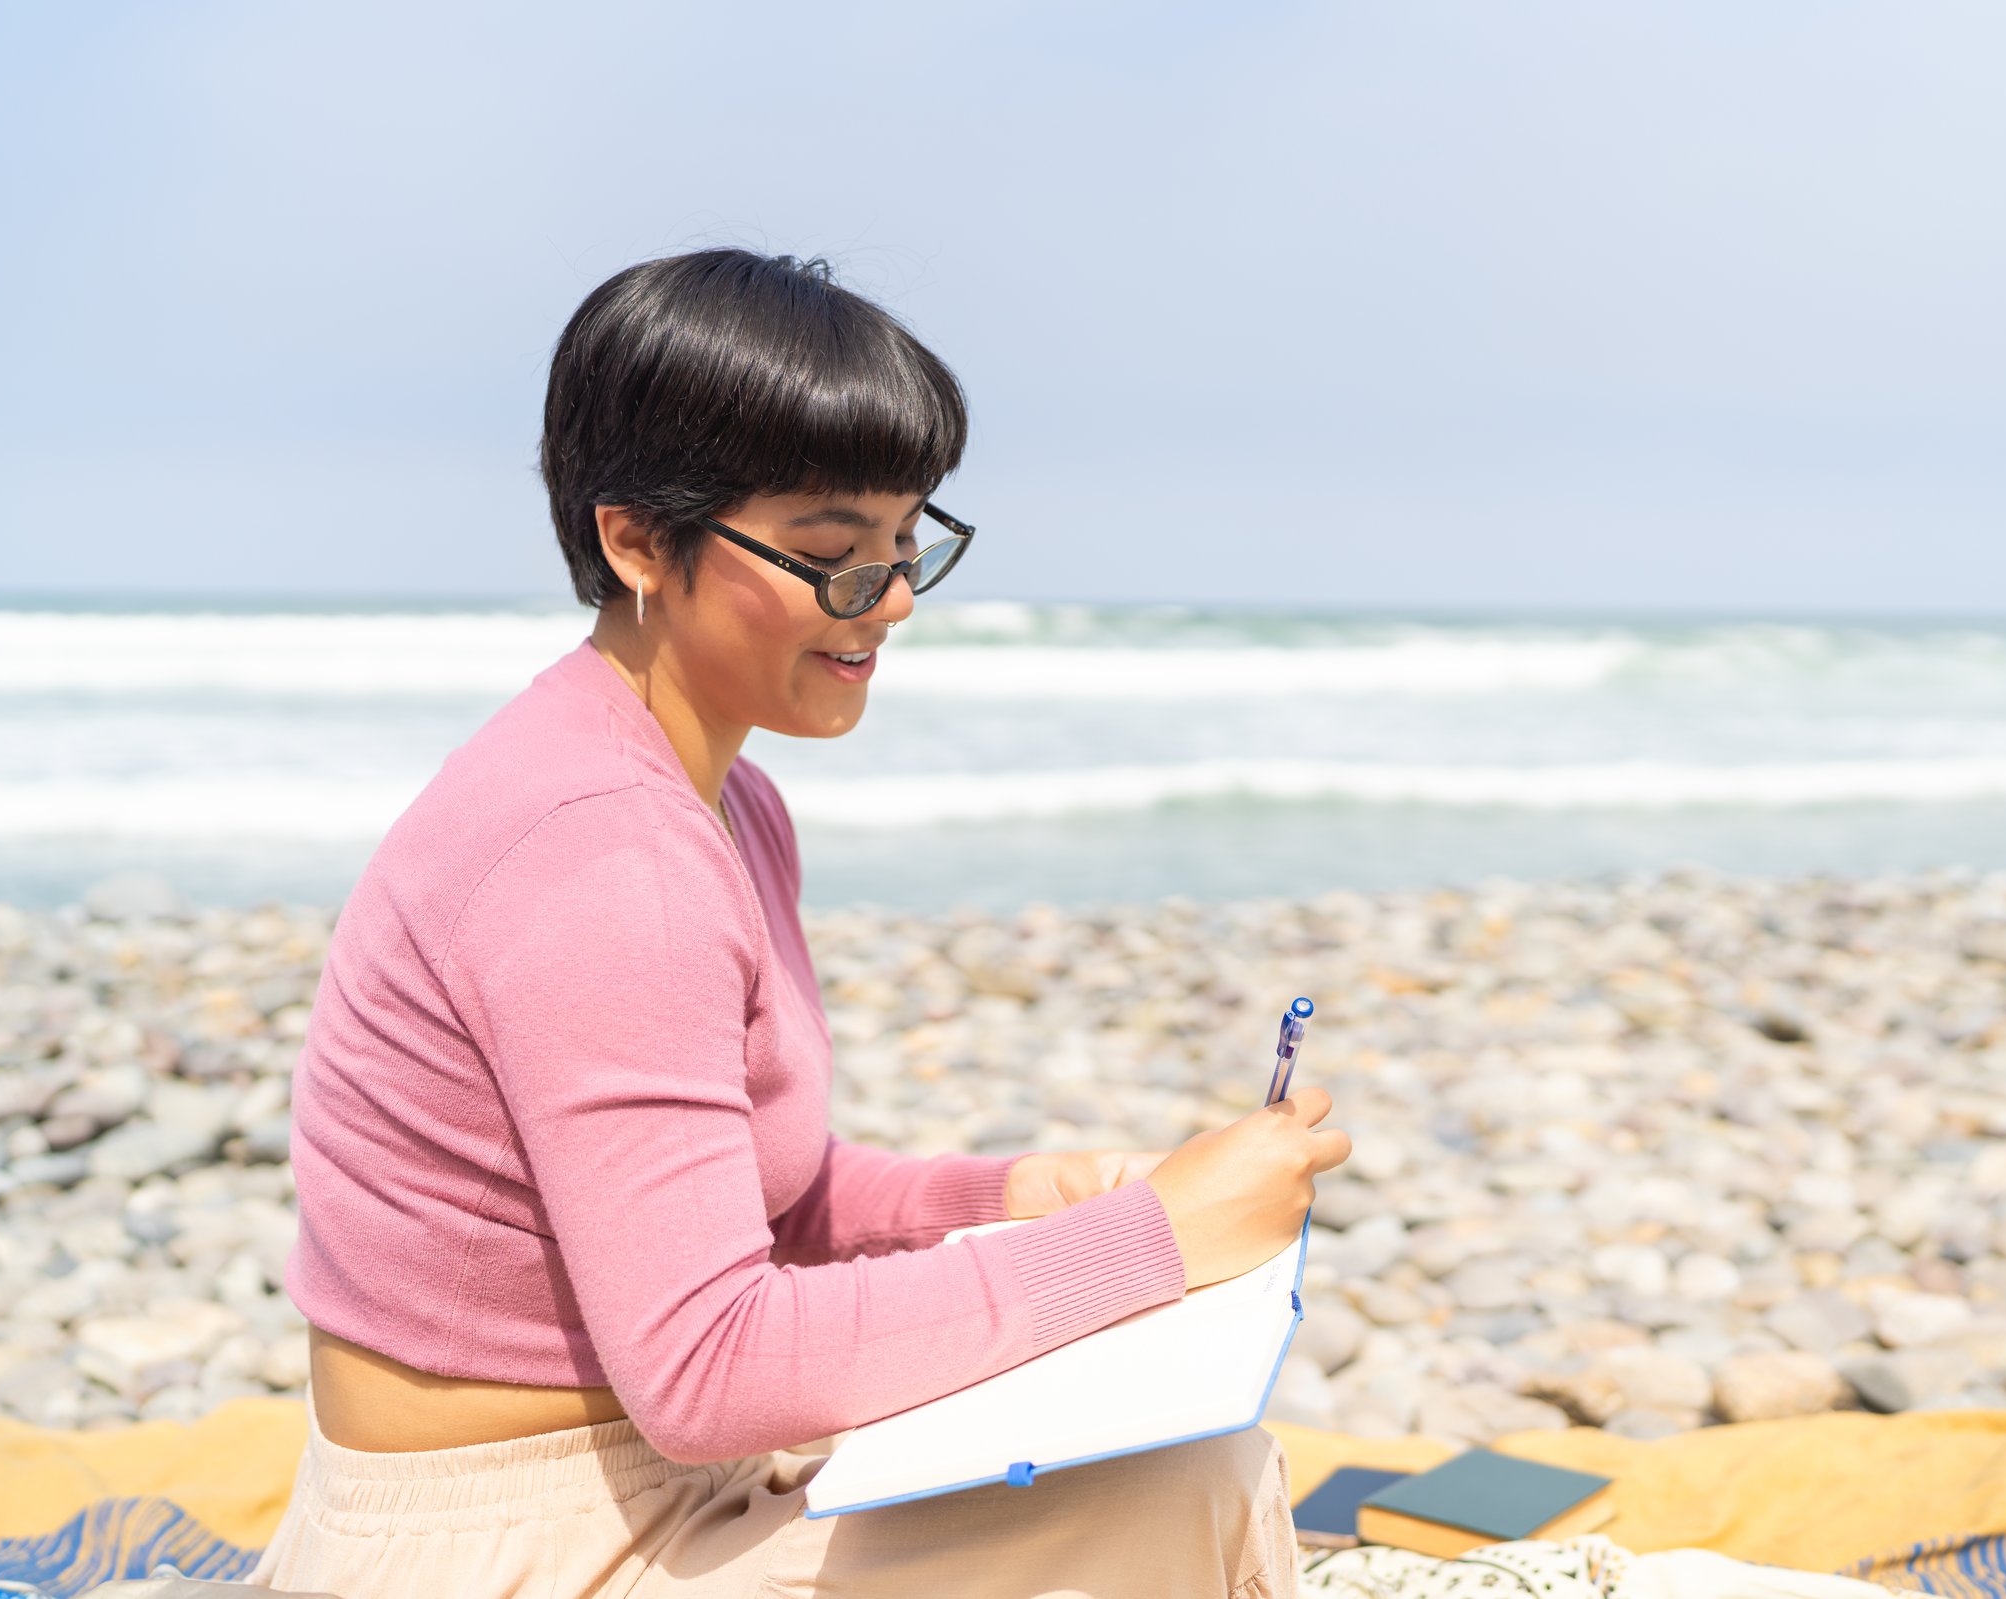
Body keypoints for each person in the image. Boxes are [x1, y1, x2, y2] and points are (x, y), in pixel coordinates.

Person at [248, 248, 1351, 1599]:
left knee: (1169, 1461)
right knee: (1186, 1489)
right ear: (636, 539)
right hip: (505, 1545)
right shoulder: (602, 860)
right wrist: (1154, 1242)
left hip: (656, 1487)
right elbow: (711, 1364)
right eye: (834, 558)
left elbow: (769, 1192)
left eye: (906, 546)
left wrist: (1014, 1198)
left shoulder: (722, 800)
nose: (887, 603)